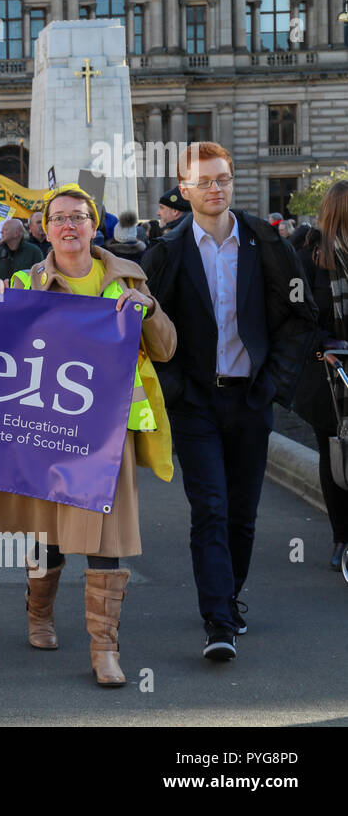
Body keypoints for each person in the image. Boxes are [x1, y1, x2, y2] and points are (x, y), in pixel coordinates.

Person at [0, 184, 176, 686]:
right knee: (46, 535)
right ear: (45, 228)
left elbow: (168, 349)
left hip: (108, 432)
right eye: (59, 218)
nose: (69, 226)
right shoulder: (24, 281)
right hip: (44, 428)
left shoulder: (129, 278)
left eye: (79, 217)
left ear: (95, 225)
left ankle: (104, 647)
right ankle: (39, 611)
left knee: (103, 538)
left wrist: (150, 311)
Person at [143, 142, 317, 661]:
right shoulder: (167, 253)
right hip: (195, 405)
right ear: (184, 187)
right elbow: (149, 328)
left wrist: (273, 385)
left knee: (242, 515)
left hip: (251, 400)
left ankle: (231, 596)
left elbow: (299, 318)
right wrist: (175, 390)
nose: (214, 189)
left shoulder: (266, 243)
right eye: (203, 182)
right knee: (210, 511)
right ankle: (217, 619)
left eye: (222, 179)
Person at [292, 182, 348, 570]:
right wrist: (322, 350)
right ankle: (342, 536)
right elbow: (298, 317)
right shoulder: (310, 258)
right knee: (334, 456)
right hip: (330, 379)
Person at [0, 217, 44, 284]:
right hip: (3, 294)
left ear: (16, 233)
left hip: (26, 294)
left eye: (5, 229)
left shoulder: (34, 251)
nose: (1, 232)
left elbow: (41, 278)